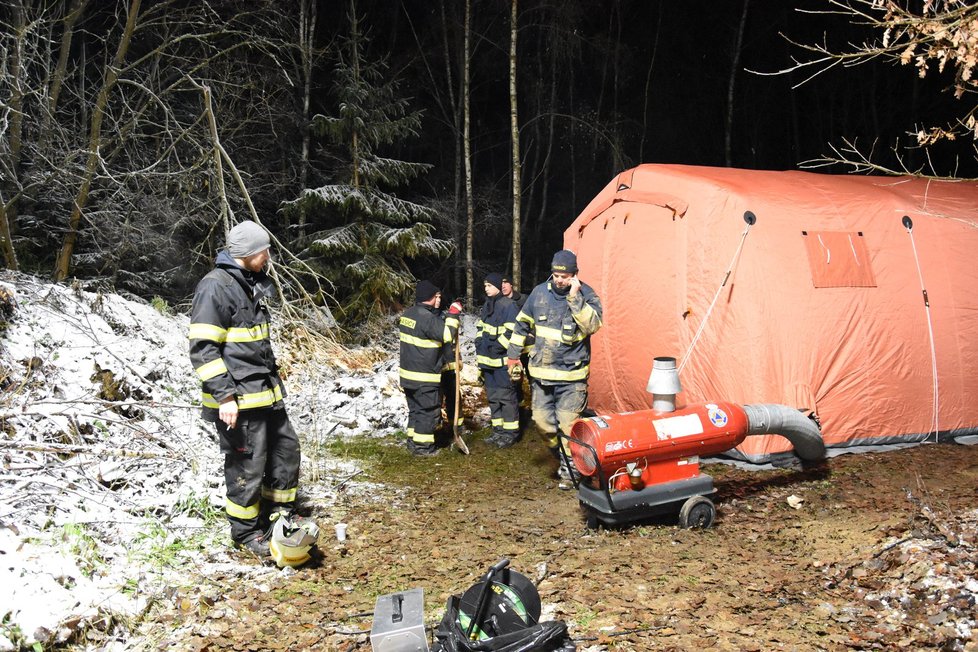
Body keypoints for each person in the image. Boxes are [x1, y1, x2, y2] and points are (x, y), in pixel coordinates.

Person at [189, 220, 301, 557]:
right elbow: (203, 348)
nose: (268, 256)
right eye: (264, 250)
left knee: (286, 452)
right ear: (249, 252)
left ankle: (279, 516)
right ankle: (246, 533)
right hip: (238, 400)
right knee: (246, 467)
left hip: (266, 395)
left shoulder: (249, 283)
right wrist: (225, 396)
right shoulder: (215, 287)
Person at [506, 250, 603, 488]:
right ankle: (564, 457)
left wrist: (574, 296)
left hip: (572, 377)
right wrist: (513, 357)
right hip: (541, 375)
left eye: (565, 275)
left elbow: (593, 325)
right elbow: (521, 325)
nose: (560, 280)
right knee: (542, 422)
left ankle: (573, 471)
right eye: (556, 274)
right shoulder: (539, 293)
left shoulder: (586, 295)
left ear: (574, 275)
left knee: (568, 425)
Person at [399, 280, 462, 456]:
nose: (439, 300)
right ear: (430, 297)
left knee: (416, 411)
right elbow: (447, 335)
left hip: (408, 376)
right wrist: (454, 315)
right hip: (424, 376)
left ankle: (413, 442)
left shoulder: (409, 314)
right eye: (437, 296)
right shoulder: (427, 318)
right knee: (427, 412)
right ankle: (423, 448)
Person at [476, 273, 521, 448]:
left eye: (489, 285)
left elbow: (513, 331)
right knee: (494, 398)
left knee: (506, 398)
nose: (486, 288)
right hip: (488, 362)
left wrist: (497, 347)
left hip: (502, 362)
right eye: (485, 285)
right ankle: (498, 431)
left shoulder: (509, 306)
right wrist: (479, 342)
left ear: (496, 286)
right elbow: (481, 327)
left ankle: (511, 433)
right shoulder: (487, 306)